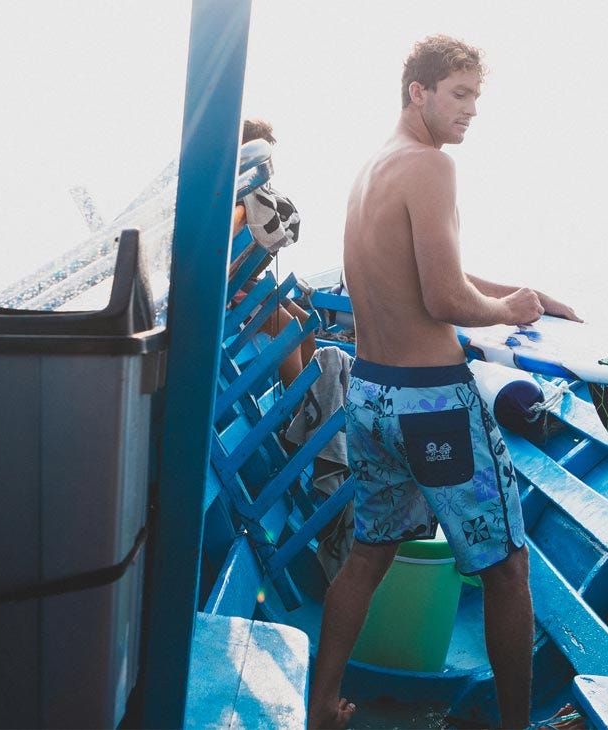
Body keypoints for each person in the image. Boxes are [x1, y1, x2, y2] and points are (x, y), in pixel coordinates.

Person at [308, 36, 584, 729]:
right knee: (506, 569)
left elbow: (432, 272)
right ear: (419, 93)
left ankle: (321, 705)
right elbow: (443, 299)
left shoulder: (373, 168)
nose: (471, 112)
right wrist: (508, 312)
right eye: (459, 96)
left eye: (475, 99)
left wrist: (526, 292)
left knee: (371, 553)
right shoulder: (431, 167)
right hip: (433, 406)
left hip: (370, 399)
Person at [232, 118, 316, 386]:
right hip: (229, 289)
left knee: (305, 323)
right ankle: (296, 416)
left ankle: (312, 403)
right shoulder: (237, 202)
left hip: (245, 281)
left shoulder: (258, 197)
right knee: (287, 331)